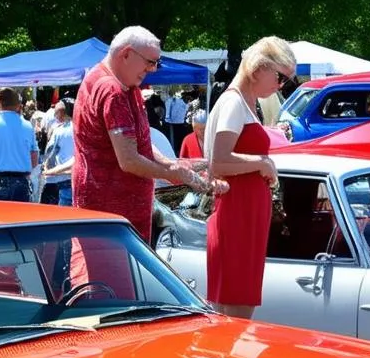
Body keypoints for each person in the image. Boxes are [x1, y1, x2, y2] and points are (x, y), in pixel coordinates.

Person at [71, 26, 220, 242]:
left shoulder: (124, 85)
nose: (153, 69)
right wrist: (173, 174)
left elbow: (141, 144)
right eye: (150, 62)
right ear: (126, 54)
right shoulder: (112, 91)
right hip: (112, 223)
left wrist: (172, 165)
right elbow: (129, 160)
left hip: (118, 218)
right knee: (111, 275)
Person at [204, 35, 296, 318]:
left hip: (243, 214)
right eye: (280, 77)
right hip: (237, 215)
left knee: (235, 306)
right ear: (259, 67)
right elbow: (218, 161)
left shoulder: (243, 103)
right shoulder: (234, 103)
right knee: (236, 309)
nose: (280, 85)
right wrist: (261, 163)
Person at [0, 87, 39, 202]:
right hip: (21, 180)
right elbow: (34, 155)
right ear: (18, 104)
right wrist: (28, 173)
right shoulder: (28, 126)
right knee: (22, 219)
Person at [40, 101, 75, 205]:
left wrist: (47, 170)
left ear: (62, 113)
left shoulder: (59, 130)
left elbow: (50, 152)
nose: (55, 116)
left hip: (62, 178)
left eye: (56, 113)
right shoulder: (83, 128)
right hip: (78, 177)